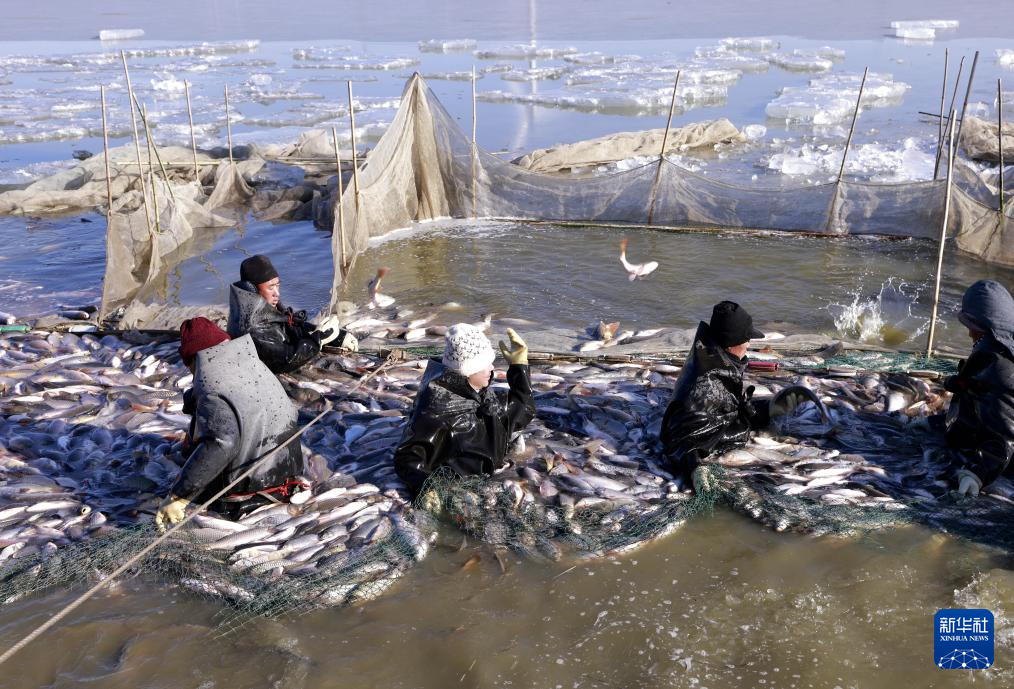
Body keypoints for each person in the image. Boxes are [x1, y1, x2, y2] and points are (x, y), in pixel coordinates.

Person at [155, 317, 306, 529]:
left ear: (194, 360)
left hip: (249, 494)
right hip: (289, 478)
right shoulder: (254, 364)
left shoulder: (211, 386)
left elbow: (222, 443)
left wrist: (179, 496)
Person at [659, 301, 806, 491]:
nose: (748, 344)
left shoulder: (713, 354)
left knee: (761, 412)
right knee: (738, 433)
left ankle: (770, 409)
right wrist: (695, 468)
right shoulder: (706, 385)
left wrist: (763, 408)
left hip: (717, 415)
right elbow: (681, 439)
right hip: (705, 436)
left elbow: (729, 403)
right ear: (733, 343)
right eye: (747, 339)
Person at [393, 324, 536, 497]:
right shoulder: (436, 409)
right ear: (467, 371)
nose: (492, 368)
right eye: (485, 364)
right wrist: (428, 488)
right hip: (460, 487)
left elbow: (523, 411)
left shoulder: (484, 395)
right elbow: (407, 459)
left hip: (493, 476)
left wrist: (519, 366)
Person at [227, 254, 357, 375]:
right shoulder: (252, 326)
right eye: (271, 287)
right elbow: (286, 360)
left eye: (278, 286)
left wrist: (336, 336)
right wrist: (318, 340)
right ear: (253, 289)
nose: (277, 293)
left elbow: (289, 327)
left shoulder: (261, 305)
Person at [943, 280, 1014, 497]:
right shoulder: (992, 352)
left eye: (973, 326)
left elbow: (1005, 436)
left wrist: (977, 474)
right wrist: (937, 423)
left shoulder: (1001, 368)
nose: (969, 334)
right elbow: (978, 407)